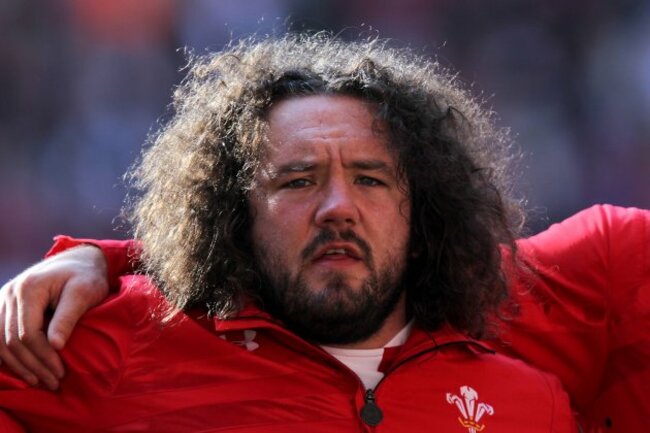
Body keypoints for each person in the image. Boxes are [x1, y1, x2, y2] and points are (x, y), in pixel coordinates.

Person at [0, 33, 641, 432]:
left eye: (370, 179)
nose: (337, 207)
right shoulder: (117, 341)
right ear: (234, 217)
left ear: (423, 213)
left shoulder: (532, 405)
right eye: (298, 180)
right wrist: (110, 264)